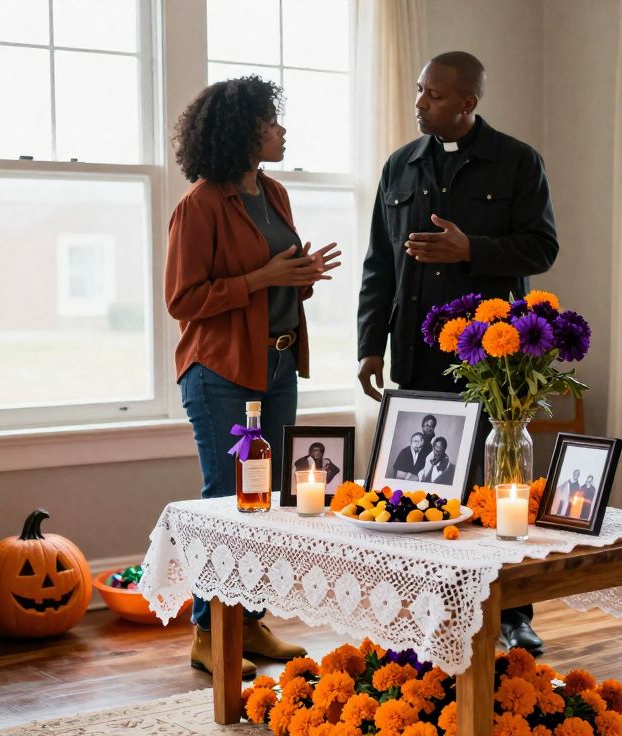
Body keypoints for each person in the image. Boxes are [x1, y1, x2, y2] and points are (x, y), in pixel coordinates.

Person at [356, 51, 558, 654]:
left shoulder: (518, 161)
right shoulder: (399, 167)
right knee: (420, 485)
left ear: (468, 102)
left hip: (491, 360)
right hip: (415, 355)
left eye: (434, 95)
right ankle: (424, 607)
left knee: (498, 485)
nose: (419, 103)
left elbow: (541, 248)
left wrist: (472, 250)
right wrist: (370, 345)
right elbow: (378, 265)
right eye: (419, 91)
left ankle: (513, 614)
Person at [167, 76, 342, 675]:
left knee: (267, 501)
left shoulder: (274, 192)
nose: (281, 130)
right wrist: (263, 279)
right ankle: (208, 634)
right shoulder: (199, 205)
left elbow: (275, 281)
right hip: (221, 372)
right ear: (242, 132)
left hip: (278, 364)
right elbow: (183, 300)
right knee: (227, 501)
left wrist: (300, 275)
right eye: (271, 121)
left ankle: (249, 623)